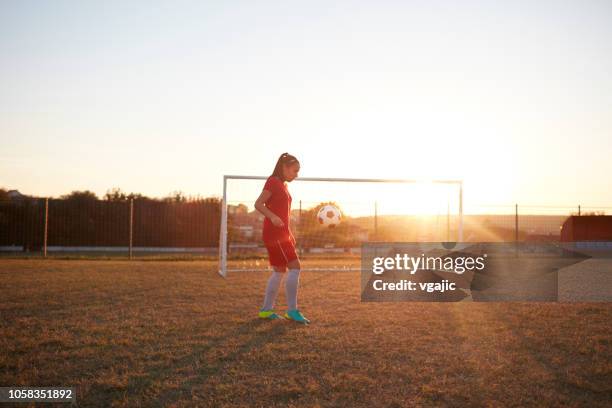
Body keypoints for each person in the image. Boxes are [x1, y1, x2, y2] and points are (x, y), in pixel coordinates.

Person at [254, 153, 310, 324]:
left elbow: (283, 213)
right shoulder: (273, 182)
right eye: (295, 170)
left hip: (281, 233)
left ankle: (266, 311)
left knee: (279, 270)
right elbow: (258, 204)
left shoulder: (283, 185)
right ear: (284, 167)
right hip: (275, 234)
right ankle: (292, 311)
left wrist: (289, 233)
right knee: (295, 267)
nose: (297, 174)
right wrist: (272, 217)